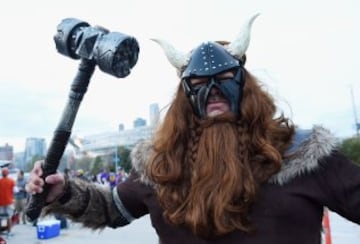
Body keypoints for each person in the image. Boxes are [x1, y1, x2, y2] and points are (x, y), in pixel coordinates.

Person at [25, 13, 360, 243]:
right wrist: (63, 192)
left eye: (224, 81)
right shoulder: (162, 165)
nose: (213, 91)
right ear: (186, 98)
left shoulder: (304, 154)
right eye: (199, 83)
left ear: (247, 89)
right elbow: (114, 206)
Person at [0, 168, 15, 234]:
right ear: (7, 173)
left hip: (1, 202)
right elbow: (15, 190)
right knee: (9, 217)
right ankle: (9, 231)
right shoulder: (11, 181)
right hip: (9, 202)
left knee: (2, 217)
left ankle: (3, 230)